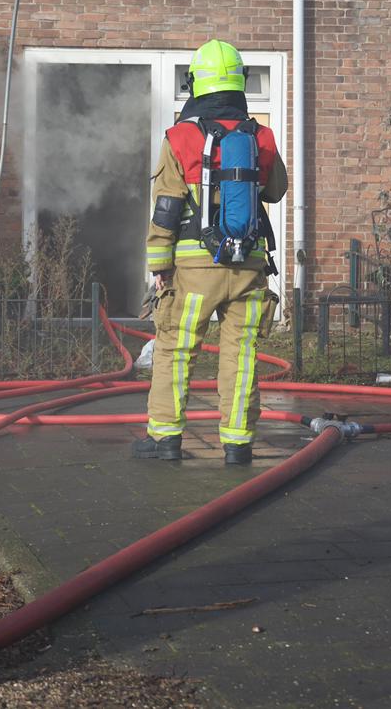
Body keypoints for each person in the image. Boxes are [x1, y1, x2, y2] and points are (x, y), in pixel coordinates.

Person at [133, 39, 288, 466]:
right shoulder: (262, 136)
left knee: (176, 350)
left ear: (196, 83)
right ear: (239, 80)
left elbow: (166, 207)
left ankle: (165, 439)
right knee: (242, 356)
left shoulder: (180, 137)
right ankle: (237, 445)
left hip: (195, 270)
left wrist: (160, 265)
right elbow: (275, 192)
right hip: (250, 268)